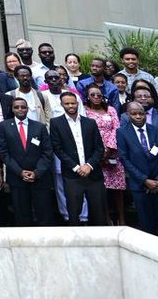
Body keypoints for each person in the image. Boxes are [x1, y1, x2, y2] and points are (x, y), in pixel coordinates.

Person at [115, 100, 158, 240]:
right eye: (134, 114)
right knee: (147, 224)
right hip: (140, 185)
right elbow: (125, 159)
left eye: (141, 113)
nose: (138, 117)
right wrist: (144, 180)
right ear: (128, 115)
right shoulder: (122, 133)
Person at [51, 92, 107, 226]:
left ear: (77, 103)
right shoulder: (56, 123)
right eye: (67, 103)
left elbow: (99, 148)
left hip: (93, 175)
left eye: (73, 103)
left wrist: (89, 165)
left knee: (99, 212)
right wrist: (76, 167)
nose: (71, 106)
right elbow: (58, 149)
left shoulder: (90, 123)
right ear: (62, 105)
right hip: (72, 175)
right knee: (74, 213)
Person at [0, 97, 54, 225]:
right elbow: (4, 153)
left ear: (27, 109)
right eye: (16, 107)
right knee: (22, 214)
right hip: (17, 178)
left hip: (39, 178)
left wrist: (37, 172)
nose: (20, 109)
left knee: (43, 213)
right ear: (12, 109)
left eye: (23, 107)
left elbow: (47, 152)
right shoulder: (4, 126)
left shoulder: (39, 127)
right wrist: (20, 172)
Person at [82, 84, 126, 225]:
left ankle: (122, 218)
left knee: (117, 188)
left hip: (113, 152)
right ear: (87, 96)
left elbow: (116, 128)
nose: (96, 97)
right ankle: (106, 219)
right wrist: (99, 153)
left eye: (99, 95)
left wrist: (109, 149)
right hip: (95, 153)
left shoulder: (110, 109)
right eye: (92, 95)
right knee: (102, 188)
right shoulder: (84, 111)